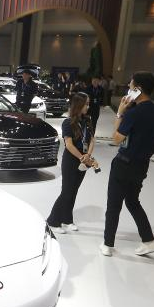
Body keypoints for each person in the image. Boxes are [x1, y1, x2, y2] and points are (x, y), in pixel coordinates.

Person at [102, 71, 154, 257]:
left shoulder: (133, 113)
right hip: (141, 165)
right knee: (132, 201)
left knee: (114, 205)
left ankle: (107, 244)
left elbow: (116, 139)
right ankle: (149, 241)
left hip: (123, 163)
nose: (128, 90)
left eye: (130, 87)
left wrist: (120, 113)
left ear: (138, 89)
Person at [46, 92, 97, 233]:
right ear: (78, 105)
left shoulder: (87, 120)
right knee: (67, 191)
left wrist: (88, 155)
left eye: (88, 103)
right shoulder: (67, 122)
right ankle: (52, 221)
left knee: (73, 191)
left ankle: (67, 220)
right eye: (86, 104)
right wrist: (82, 157)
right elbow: (69, 144)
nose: (88, 106)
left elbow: (92, 140)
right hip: (71, 160)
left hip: (84, 160)